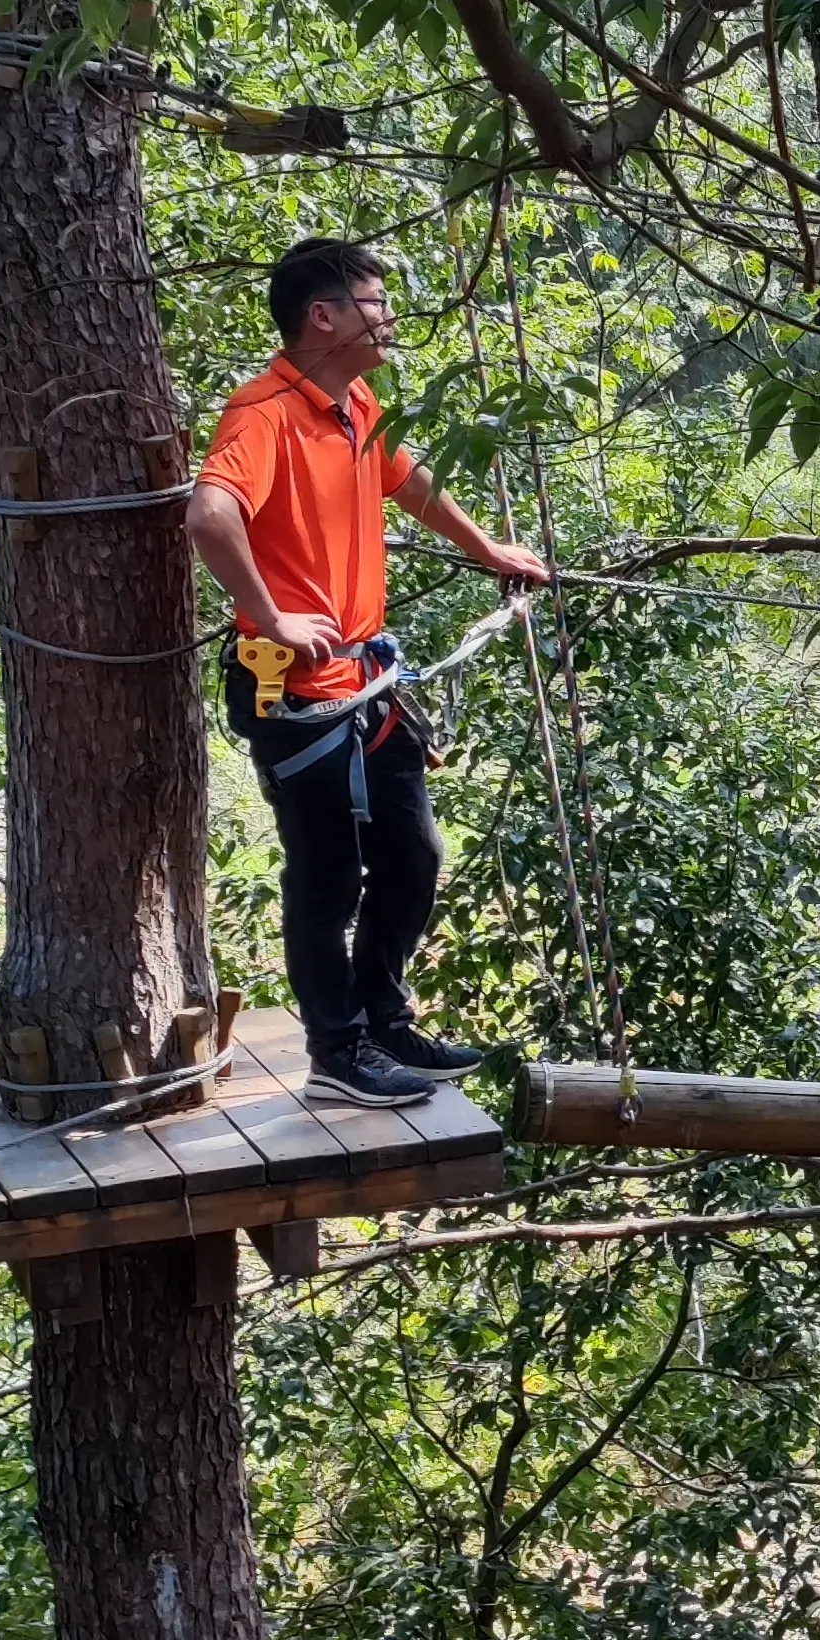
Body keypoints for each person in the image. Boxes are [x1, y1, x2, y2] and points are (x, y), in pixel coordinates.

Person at [193, 238, 553, 1108]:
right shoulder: (265, 414)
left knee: (413, 854)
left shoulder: (352, 402)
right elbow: (210, 515)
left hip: (365, 681)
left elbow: (410, 482)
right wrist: (272, 613)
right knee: (326, 875)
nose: (388, 316)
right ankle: (337, 1051)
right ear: (325, 316)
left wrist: (486, 549)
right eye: (374, 301)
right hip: (292, 690)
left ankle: (383, 1020)